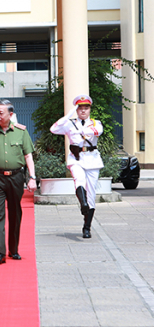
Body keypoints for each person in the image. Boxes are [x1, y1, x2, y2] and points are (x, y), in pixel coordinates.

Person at [0, 99, 37, 265]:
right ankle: (0, 252)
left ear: (10, 114)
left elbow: (28, 156)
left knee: (15, 212)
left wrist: (32, 178)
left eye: (0, 112)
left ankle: (14, 249)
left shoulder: (21, 132)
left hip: (16, 177)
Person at [50, 95, 103, 238]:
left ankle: (87, 227)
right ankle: (83, 203)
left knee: (91, 193)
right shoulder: (69, 123)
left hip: (92, 160)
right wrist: (68, 114)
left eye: (86, 108)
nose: (83, 111)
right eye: (80, 108)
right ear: (76, 110)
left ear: (90, 109)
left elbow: (97, 131)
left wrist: (84, 130)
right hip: (76, 159)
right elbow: (54, 129)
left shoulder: (95, 123)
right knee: (78, 180)